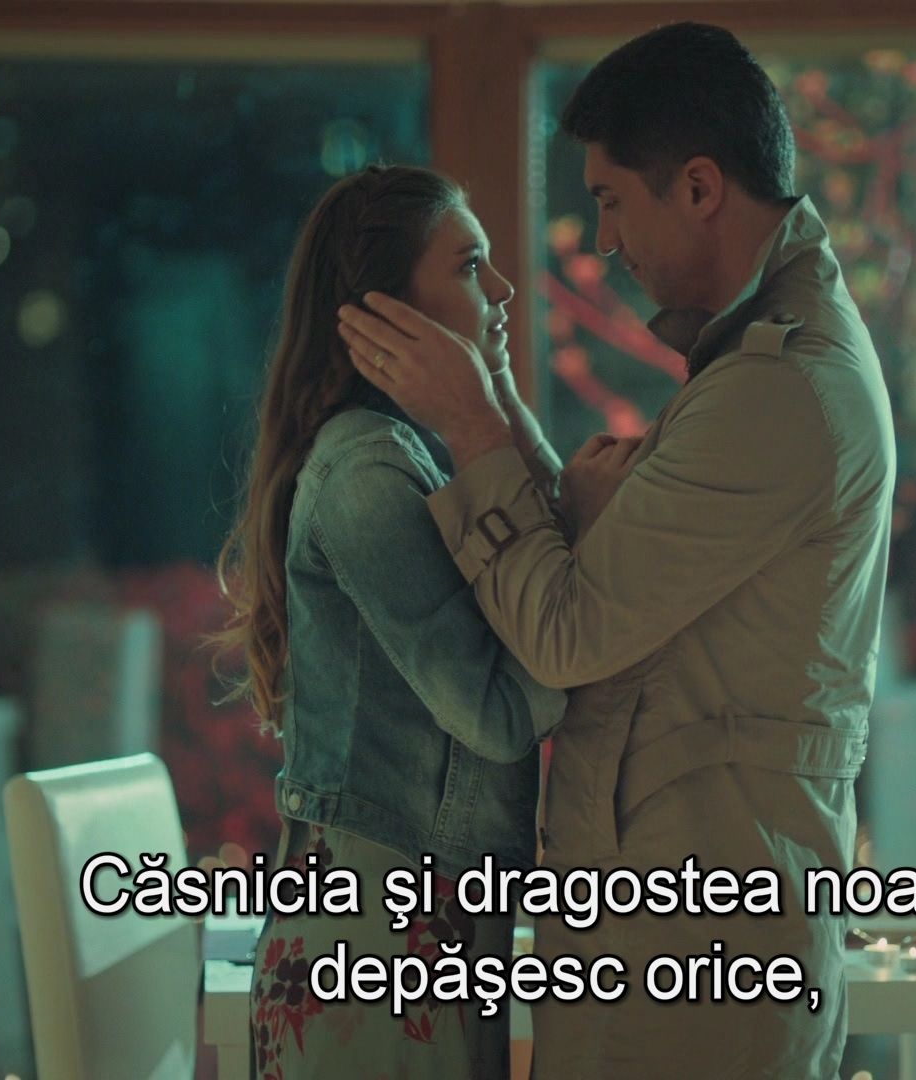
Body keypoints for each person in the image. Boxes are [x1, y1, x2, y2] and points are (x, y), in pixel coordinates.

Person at [336, 22, 897, 1077]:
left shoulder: (778, 387)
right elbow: (625, 583)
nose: (601, 242)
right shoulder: (762, 362)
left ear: (698, 188)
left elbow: (568, 631)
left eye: (610, 201)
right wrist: (500, 409)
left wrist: (474, 429)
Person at [213, 164, 566, 1079]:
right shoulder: (370, 476)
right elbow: (501, 709)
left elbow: (543, 584)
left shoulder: (407, 456)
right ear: (388, 309)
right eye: (471, 266)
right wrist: (581, 573)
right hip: (378, 945)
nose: (503, 289)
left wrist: (495, 404)